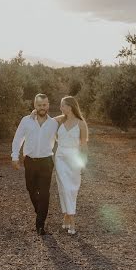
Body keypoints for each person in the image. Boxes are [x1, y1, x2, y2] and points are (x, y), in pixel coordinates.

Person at [32, 95, 88, 235]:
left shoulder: (81, 123)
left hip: (74, 159)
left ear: (70, 106)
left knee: (72, 189)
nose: (60, 108)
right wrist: (33, 112)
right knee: (64, 186)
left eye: (63, 105)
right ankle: (72, 220)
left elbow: (84, 146)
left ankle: (66, 216)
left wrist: (84, 163)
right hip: (61, 157)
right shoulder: (59, 120)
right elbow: (45, 119)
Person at [11, 94, 58, 235]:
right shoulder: (26, 121)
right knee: (31, 189)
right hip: (30, 161)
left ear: (48, 105)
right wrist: (14, 156)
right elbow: (18, 138)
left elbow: (62, 139)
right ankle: (40, 210)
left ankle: (40, 225)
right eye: (39, 105)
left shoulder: (54, 123)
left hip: (46, 162)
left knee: (44, 193)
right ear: (35, 106)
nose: (42, 108)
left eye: (44, 105)